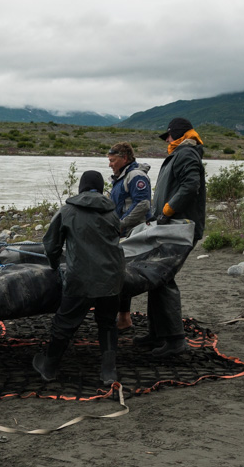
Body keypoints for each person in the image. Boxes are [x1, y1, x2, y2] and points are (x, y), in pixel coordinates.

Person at [32, 170, 125, 385]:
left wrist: (54, 266)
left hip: (81, 279)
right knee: (107, 323)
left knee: (64, 323)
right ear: (101, 188)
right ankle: (109, 372)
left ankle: (49, 367)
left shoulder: (67, 211)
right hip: (112, 278)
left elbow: (51, 246)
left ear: (80, 187)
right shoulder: (112, 212)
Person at [136, 117, 206, 359]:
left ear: (176, 134)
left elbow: (190, 186)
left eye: (167, 135)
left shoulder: (186, 153)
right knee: (156, 277)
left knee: (163, 278)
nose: (166, 140)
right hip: (171, 225)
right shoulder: (180, 153)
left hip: (180, 226)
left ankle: (175, 340)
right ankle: (157, 334)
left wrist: (168, 210)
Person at [107, 142, 152, 331]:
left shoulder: (136, 176)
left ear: (124, 158)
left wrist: (120, 224)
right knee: (119, 274)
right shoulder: (121, 178)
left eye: (112, 160)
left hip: (133, 234)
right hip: (123, 232)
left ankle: (124, 318)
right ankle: (122, 317)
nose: (109, 164)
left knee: (122, 275)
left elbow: (142, 204)